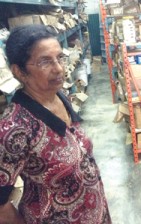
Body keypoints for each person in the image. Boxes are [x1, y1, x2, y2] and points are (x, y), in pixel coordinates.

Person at [0, 24, 111, 224]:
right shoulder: (13, 128)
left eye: (60, 57)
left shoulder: (58, 95)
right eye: (44, 62)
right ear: (19, 71)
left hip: (95, 211)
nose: (59, 68)